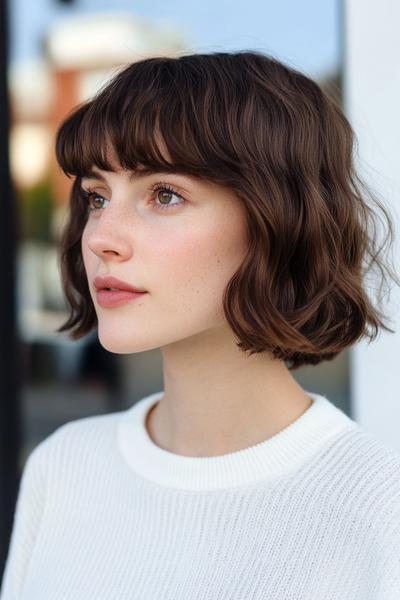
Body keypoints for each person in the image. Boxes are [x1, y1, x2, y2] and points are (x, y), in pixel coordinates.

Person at [1, 50, 400, 599]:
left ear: (278, 219)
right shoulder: (64, 467)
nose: (99, 238)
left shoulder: (378, 510)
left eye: (164, 195)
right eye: (97, 196)